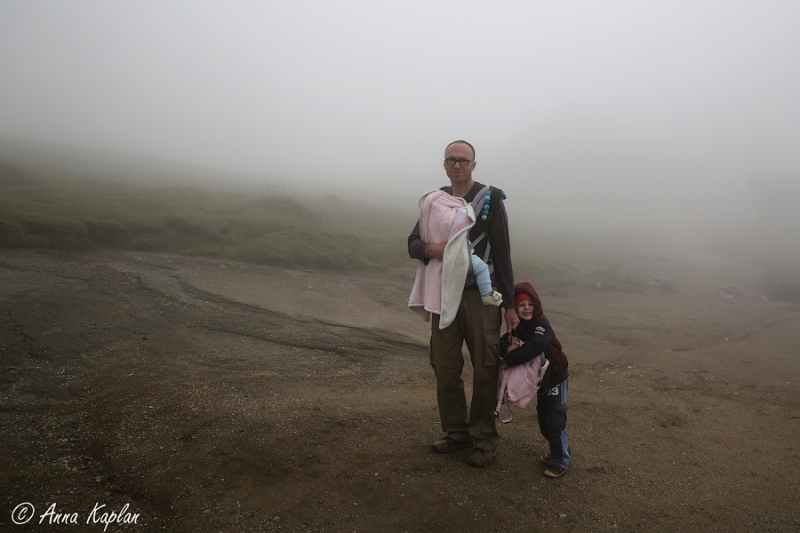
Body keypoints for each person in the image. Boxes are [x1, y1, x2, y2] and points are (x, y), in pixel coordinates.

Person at [408, 140, 518, 468]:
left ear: (473, 164)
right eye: (451, 160)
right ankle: (457, 433)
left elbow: (502, 252)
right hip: (443, 295)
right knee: (444, 366)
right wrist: (434, 250)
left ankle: (484, 439)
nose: (457, 165)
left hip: (480, 297)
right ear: (444, 164)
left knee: (485, 368)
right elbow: (413, 243)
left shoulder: (491, 200)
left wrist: (509, 304)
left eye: (463, 160)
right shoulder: (435, 201)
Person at [500, 282, 570, 478]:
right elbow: (501, 341)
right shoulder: (518, 327)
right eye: (521, 305)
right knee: (544, 421)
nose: (527, 308)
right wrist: (506, 348)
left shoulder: (541, 324)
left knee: (556, 419)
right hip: (540, 382)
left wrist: (510, 359)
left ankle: (561, 460)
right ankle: (558, 451)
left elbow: (536, 346)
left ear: (537, 305)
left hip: (556, 377)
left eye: (530, 304)